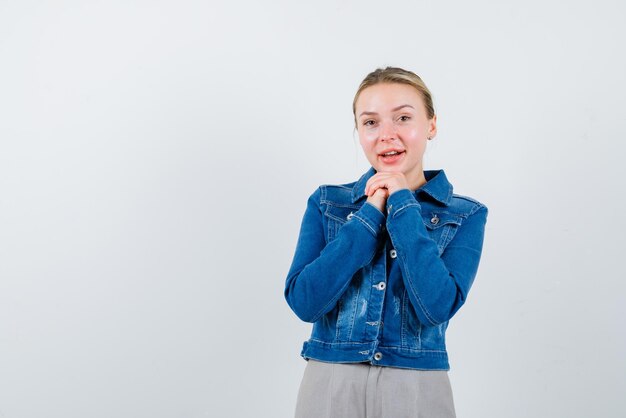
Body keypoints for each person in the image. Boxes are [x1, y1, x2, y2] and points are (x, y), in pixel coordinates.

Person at [284, 66, 489, 418]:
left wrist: (402, 205)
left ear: (432, 126)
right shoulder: (327, 203)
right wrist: (369, 213)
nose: (386, 135)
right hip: (331, 379)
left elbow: (435, 307)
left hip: (417, 384)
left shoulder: (466, 214)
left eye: (403, 118)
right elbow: (305, 302)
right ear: (359, 132)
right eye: (371, 122)